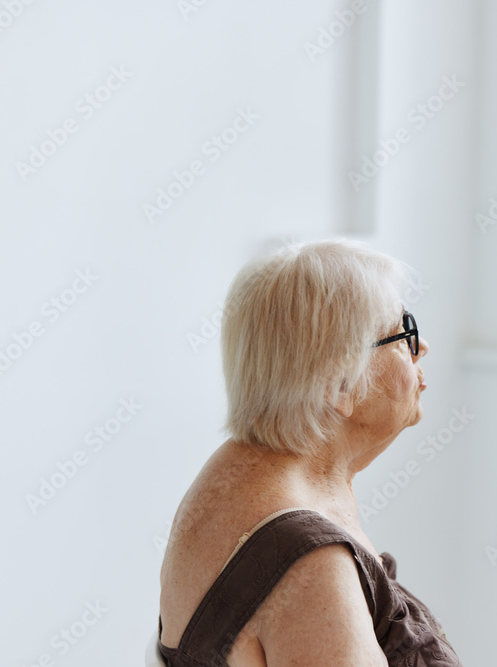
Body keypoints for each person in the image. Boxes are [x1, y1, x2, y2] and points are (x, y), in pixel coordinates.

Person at [155, 240, 461, 666]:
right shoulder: (311, 564)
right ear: (340, 386)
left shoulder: (239, 469)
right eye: (402, 331)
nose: (421, 346)